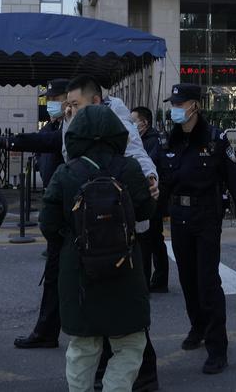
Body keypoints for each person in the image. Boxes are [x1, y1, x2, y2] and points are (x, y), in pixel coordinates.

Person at [41, 104, 155, 392]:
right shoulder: (129, 168)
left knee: (83, 347)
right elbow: (145, 211)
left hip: (79, 272)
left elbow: (48, 224)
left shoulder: (66, 172)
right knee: (129, 344)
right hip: (124, 268)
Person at [161, 83, 236, 374]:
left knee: (208, 282)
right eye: (173, 104)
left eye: (180, 104)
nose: (175, 109)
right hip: (179, 217)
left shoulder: (215, 139)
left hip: (206, 217)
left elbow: (234, 179)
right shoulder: (171, 140)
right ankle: (197, 327)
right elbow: (163, 182)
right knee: (188, 280)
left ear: (195, 106)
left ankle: (217, 347)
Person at [8, 78, 70, 350]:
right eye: (49, 99)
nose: (50, 104)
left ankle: (52, 331)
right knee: (55, 274)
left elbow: (48, 143)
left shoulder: (70, 127)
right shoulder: (54, 125)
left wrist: (9, 141)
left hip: (70, 210)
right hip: (56, 206)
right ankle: (47, 330)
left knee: (64, 274)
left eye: (55, 99)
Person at [132, 105, 169, 292]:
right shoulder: (141, 139)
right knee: (152, 240)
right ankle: (156, 279)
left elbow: (147, 165)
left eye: (133, 121)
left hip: (153, 198)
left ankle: (154, 281)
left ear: (144, 123)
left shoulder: (153, 141)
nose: (130, 125)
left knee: (151, 240)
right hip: (149, 198)